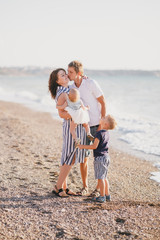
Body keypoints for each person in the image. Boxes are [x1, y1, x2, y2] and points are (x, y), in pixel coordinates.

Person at [68, 60, 106, 196]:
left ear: (79, 73)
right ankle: (85, 187)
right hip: (83, 126)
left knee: (99, 158)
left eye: (71, 72)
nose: (68, 74)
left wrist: (102, 122)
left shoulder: (90, 83)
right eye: (68, 71)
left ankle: (98, 189)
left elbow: (102, 101)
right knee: (83, 158)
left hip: (96, 124)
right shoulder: (71, 86)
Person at [48, 68, 86, 197]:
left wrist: (82, 77)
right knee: (70, 156)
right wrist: (75, 115)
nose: (65, 76)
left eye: (65, 74)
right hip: (70, 126)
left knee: (68, 156)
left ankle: (64, 187)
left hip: (74, 125)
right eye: (62, 75)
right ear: (57, 81)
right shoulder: (62, 93)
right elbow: (61, 114)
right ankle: (58, 187)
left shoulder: (68, 88)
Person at [78, 115, 117, 203]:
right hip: (106, 157)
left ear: (105, 123)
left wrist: (82, 146)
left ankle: (102, 196)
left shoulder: (99, 133)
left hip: (99, 158)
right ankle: (107, 195)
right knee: (104, 177)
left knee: (100, 178)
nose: (101, 117)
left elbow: (94, 146)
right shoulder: (106, 133)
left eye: (104, 118)